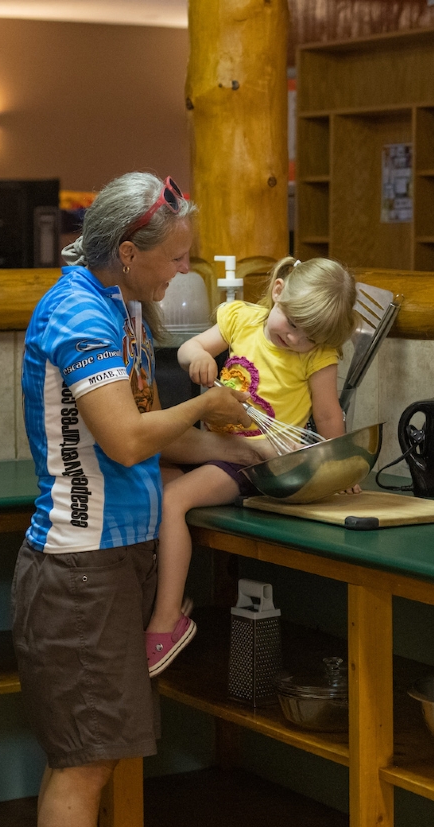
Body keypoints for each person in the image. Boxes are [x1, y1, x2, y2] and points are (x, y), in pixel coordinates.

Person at [12, 171, 260, 827]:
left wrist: (243, 452)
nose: (183, 272)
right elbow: (124, 440)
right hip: (78, 569)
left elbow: (154, 432)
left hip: (120, 559)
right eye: (177, 257)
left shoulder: (121, 306)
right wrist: (207, 402)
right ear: (127, 251)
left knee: (97, 753)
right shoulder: (79, 313)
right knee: (83, 762)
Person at [146, 256, 357, 675]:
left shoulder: (317, 357)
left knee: (171, 502)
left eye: (309, 337)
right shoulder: (242, 319)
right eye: (293, 324)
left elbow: (330, 416)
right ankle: (162, 595)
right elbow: (192, 348)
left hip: (255, 465)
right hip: (213, 447)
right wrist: (197, 358)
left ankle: (167, 618)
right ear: (277, 292)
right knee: (148, 480)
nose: (296, 340)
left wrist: (341, 467)